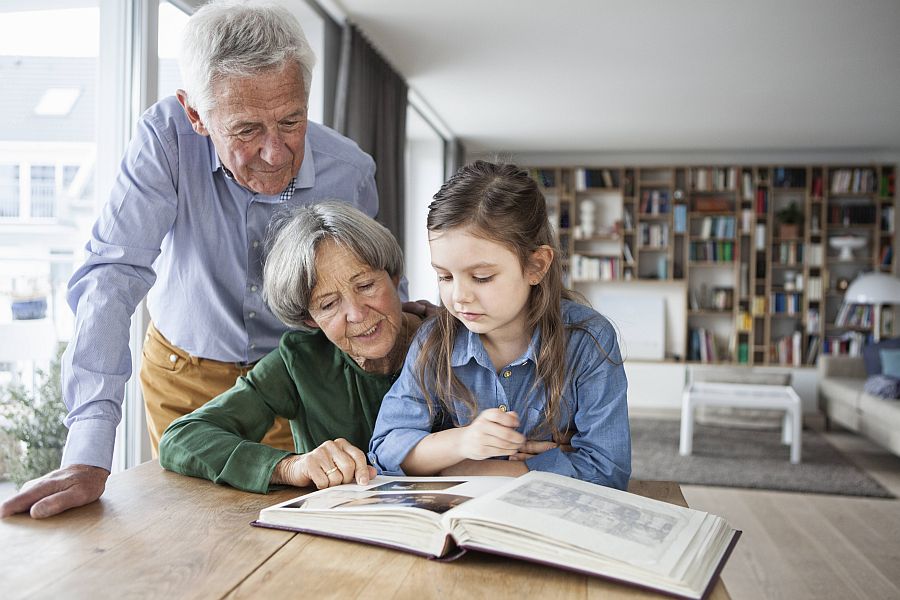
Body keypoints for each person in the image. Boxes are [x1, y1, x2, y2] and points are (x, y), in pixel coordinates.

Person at [2, 2, 420, 519]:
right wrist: (88, 451)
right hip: (184, 371)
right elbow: (113, 274)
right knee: (192, 529)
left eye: (291, 120)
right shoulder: (166, 140)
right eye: (245, 130)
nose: (275, 153)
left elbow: (371, 288)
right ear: (196, 114)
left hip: (296, 378)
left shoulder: (349, 170)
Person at [369, 161, 631, 489]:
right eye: (445, 276)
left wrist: (467, 469)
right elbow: (384, 450)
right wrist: (462, 443)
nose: (459, 296)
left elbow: (609, 471)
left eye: (482, 277)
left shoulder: (589, 339)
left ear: (536, 265)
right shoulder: (434, 341)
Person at [158, 202, 421, 493]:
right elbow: (181, 437)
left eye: (366, 285)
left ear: (394, 277)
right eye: (329, 304)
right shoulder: (300, 360)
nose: (357, 314)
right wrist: (289, 466)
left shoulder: (452, 341)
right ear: (310, 319)